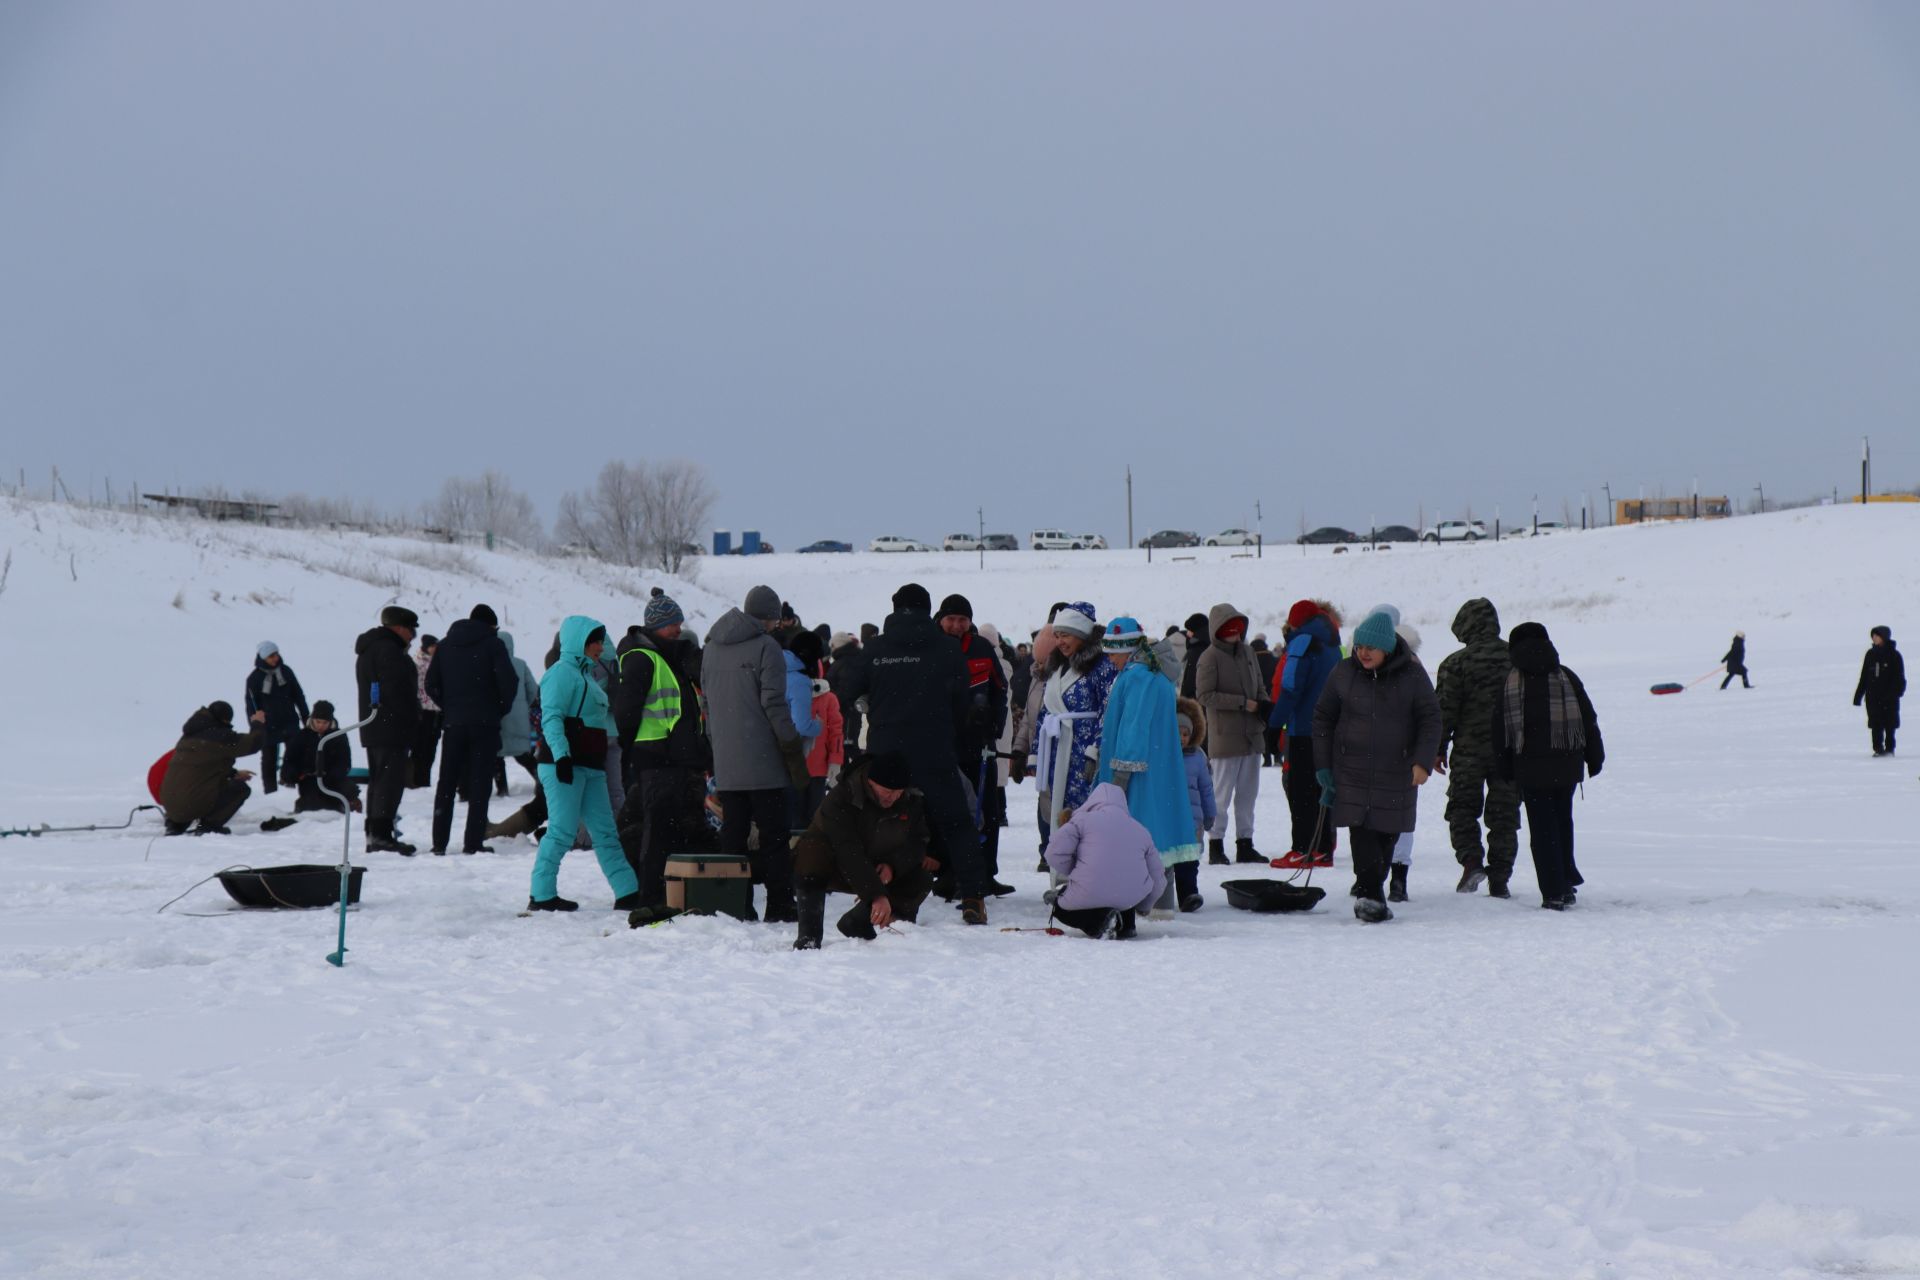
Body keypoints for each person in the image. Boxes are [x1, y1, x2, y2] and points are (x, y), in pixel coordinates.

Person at [842, 583, 991, 925]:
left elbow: (848, 691)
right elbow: (962, 703)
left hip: (885, 749)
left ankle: (877, 891)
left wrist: (875, 705)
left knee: (882, 822)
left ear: (895, 608)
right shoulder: (947, 648)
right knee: (956, 821)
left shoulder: (875, 648)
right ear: (928, 610)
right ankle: (973, 895)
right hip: (933, 747)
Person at [1311, 611, 1442, 923]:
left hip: (1396, 770)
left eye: (1370, 647)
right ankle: (1370, 895)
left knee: (1386, 835)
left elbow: (1430, 719)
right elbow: (1323, 717)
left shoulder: (1412, 675)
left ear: (1386, 648)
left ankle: (1374, 887)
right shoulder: (1344, 672)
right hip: (1351, 768)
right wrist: (1323, 765)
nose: (1363, 653)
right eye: (1359, 647)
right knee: (1361, 832)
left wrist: (1423, 761)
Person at [702, 585, 809, 923]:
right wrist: (791, 741)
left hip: (728, 760)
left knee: (733, 837)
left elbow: (707, 704)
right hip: (764, 761)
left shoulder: (711, 646)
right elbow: (774, 704)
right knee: (774, 837)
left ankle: (734, 903)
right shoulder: (768, 648)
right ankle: (779, 904)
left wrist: (716, 745)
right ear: (770, 618)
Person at [528, 615, 642, 912]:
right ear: (579, 642)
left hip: (590, 764)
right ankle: (541, 894)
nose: (599, 646)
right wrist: (562, 756)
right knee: (562, 831)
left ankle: (628, 891)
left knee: (605, 832)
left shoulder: (586, 675)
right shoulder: (560, 674)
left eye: (601, 640)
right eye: (594, 640)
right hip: (562, 764)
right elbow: (551, 717)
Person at [1492, 622, 1604, 910]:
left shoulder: (1510, 682)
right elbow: (1588, 719)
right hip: (1567, 763)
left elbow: (1500, 729)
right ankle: (1565, 884)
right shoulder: (1566, 676)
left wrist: (1504, 766)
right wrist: (1595, 756)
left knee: (1542, 830)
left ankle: (1553, 891)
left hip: (1530, 767)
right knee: (1562, 822)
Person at [613, 590, 714, 906]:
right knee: (657, 833)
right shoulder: (642, 658)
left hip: (677, 759)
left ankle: (677, 892)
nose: (678, 629)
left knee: (679, 828)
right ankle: (652, 898)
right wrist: (634, 751)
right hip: (657, 759)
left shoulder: (668, 656)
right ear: (655, 625)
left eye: (679, 622)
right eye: (672, 624)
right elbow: (626, 713)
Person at [1097, 617, 1202, 913]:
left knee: (1137, 837)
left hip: (1138, 773)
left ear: (1128, 649)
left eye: (1113, 653)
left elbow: (1134, 725)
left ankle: (1141, 904)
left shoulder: (1138, 676)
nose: (1110, 659)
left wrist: (1120, 772)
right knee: (1160, 837)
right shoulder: (1156, 675)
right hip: (1159, 770)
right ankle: (1162, 904)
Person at [790, 753, 935, 949]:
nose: (892, 797)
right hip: (837, 864)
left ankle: (860, 921)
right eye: (887, 791)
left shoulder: (911, 801)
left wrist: (893, 866)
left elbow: (918, 842)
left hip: (878, 865)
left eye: (898, 792)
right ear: (870, 782)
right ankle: (809, 936)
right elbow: (847, 849)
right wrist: (875, 894)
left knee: (920, 877)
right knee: (810, 851)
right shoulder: (841, 797)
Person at [1434, 598, 1520, 897]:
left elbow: (1444, 712)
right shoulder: (1517, 658)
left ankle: (1471, 861)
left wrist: (1437, 749)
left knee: (1462, 808)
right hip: (1510, 752)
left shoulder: (1455, 664)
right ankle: (1500, 878)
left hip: (1469, 752)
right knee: (1504, 816)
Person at [1022, 602, 1117, 856]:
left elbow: (1107, 711)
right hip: (1058, 753)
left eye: (1066, 635)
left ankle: (1089, 871)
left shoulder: (1101, 666)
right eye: (1057, 636)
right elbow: (1047, 709)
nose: (1060, 642)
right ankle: (1063, 873)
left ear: (1082, 634)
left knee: (1086, 814)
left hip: (1082, 754)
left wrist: (1095, 749)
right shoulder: (1057, 667)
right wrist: (1035, 754)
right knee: (1059, 812)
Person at [426, 604, 518, 855]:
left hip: (454, 724)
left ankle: (439, 843)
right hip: (485, 725)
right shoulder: (493, 644)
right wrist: (497, 709)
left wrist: (450, 707)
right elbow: (509, 682)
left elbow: (430, 684)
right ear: (491, 626)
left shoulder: (444, 645)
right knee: (480, 784)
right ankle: (473, 842)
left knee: (447, 782)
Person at [936, 594, 1011, 894]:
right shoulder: (931, 647)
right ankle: (949, 874)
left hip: (979, 744)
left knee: (987, 810)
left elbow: (1000, 690)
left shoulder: (981, 648)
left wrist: (993, 724)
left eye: (962, 620)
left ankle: (985, 874)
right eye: (951, 619)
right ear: (941, 619)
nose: (956, 625)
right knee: (951, 809)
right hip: (942, 743)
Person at [1043, 782, 1166, 938]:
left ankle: (1100, 923)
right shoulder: (1140, 829)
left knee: (1059, 908)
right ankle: (1127, 925)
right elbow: (1158, 878)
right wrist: (1144, 906)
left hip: (1089, 887)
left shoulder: (1081, 821)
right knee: (1123, 890)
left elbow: (1053, 853)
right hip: (1128, 897)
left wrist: (1076, 871)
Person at [1270, 600, 1341, 869]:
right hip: (1329, 727)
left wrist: (1275, 723)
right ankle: (1322, 848)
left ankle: (1302, 848)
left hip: (1302, 729)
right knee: (1321, 789)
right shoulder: (1333, 643)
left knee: (1300, 792)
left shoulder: (1302, 642)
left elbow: (1290, 687)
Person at [1195, 602, 1267, 864]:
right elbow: (1205, 695)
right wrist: (1241, 703)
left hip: (1252, 735)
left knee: (1248, 795)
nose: (1235, 635)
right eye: (1229, 630)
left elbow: (1259, 685)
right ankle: (1216, 844)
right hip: (1226, 737)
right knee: (1221, 795)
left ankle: (1245, 843)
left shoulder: (1248, 652)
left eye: (1238, 630)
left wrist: (1263, 704)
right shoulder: (1209, 657)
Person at [354, 605, 422, 854]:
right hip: (391, 726)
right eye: (411, 631)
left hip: (375, 726)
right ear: (399, 628)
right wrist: (413, 718)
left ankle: (375, 833)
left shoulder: (371, 649)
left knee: (379, 781)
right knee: (388, 782)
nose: (412, 636)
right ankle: (381, 835)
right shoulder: (389, 651)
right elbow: (398, 692)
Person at [160, 701, 260, 835]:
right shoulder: (220, 736)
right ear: (225, 719)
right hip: (190, 802)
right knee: (239, 788)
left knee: (190, 791)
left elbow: (203, 767)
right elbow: (253, 743)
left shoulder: (188, 736)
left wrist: (233, 773)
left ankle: (176, 825)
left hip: (170, 804)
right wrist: (258, 723)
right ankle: (208, 826)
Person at [244, 641, 308, 795]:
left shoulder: (286, 671)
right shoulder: (254, 678)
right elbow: (251, 704)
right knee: (269, 759)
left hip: (289, 720)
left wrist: (306, 716)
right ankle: (270, 792)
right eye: (271, 656)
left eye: (276, 654)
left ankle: (289, 782)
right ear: (263, 657)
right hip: (268, 724)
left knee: (294, 752)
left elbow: (298, 695)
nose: (275, 659)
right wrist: (255, 725)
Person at [282, 700, 361, 814]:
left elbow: (344, 762)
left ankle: (347, 806)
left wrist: (332, 775)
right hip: (309, 780)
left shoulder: (339, 736)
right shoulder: (302, 736)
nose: (321, 726)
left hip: (333, 781)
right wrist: (293, 774)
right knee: (312, 804)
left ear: (330, 721)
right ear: (312, 719)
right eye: (318, 722)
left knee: (348, 790)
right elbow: (290, 760)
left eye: (324, 723)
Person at [1178, 698, 1216, 904]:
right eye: (1177, 733)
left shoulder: (1198, 757)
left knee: (1188, 859)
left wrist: (1210, 814)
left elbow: (1206, 789)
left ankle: (1188, 894)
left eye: (1186, 734)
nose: (1182, 738)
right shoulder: (1162, 755)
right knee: (1163, 861)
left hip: (1192, 820)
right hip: (1169, 817)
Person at [496, 631, 541, 787]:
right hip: (519, 719)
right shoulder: (521, 664)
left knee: (497, 756)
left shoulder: (490, 663)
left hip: (499, 717)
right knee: (523, 755)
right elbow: (534, 691)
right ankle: (542, 780)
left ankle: (502, 790)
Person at [1855, 626, 1906, 757]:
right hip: (1872, 697)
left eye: (1877, 635)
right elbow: (1864, 676)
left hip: (1889, 698)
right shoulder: (1870, 654)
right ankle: (1878, 749)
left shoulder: (1894, 656)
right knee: (1875, 724)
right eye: (1873, 636)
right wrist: (1858, 695)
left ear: (1884, 637)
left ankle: (1890, 749)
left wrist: (1895, 693)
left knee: (1890, 724)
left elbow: (1899, 679)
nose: (1874, 638)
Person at [827, 630, 867, 757]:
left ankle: (850, 775)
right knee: (844, 746)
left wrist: (832, 700)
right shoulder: (848, 660)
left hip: (846, 712)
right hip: (845, 711)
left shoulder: (847, 662)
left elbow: (848, 690)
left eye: (832, 646)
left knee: (847, 747)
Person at [410, 634, 441, 788]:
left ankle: (424, 780)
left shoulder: (438, 662)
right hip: (422, 710)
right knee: (420, 748)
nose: (435, 649)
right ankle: (416, 780)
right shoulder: (418, 663)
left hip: (436, 710)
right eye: (433, 646)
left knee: (431, 748)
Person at [1253, 636, 1281, 766]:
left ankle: (1267, 758)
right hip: (1275, 698)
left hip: (1260, 700)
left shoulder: (1252, 663)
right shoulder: (1275, 660)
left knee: (1262, 730)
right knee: (1275, 727)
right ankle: (1277, 756)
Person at [1178, 611, 1210, 700]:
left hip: (1194, 707)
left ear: (1196, 632)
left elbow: (1189, 684)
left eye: (1189, 630)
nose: (1187, 634)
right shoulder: (1210, 649)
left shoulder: (1195, 652)